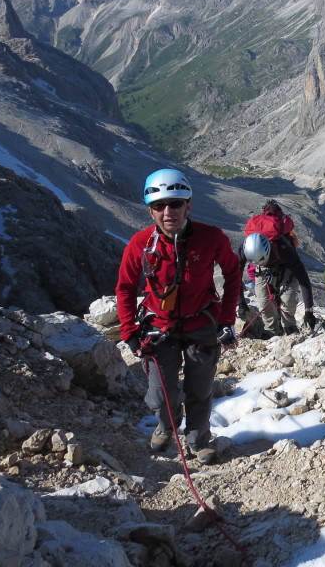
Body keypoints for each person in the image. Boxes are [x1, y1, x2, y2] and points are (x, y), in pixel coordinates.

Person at [115, 168, 240, 465]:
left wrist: (226, 319)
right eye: (160, 206)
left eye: (175, 204)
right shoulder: (140, 244)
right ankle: (165, 425)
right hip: (159, 327)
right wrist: (129, 331)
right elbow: (125, 287)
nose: (167, 211)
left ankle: (199, 440)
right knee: (160, 394)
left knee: (200, 388)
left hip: (201, 324)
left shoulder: (211, 238)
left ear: (188, 206)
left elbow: (233, 272)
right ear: (150, 211)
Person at [242, 231, 315, 336]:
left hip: (287, 266)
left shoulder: (285, 250)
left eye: (262, 261)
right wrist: (241, 303)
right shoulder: (248, 253)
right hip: (262, 271)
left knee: (287, 300)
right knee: (263, 301)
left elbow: (303, 279)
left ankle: (289, 326)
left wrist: (309, 310)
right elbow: (236, 273)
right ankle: (271, 330)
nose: (261, 263)